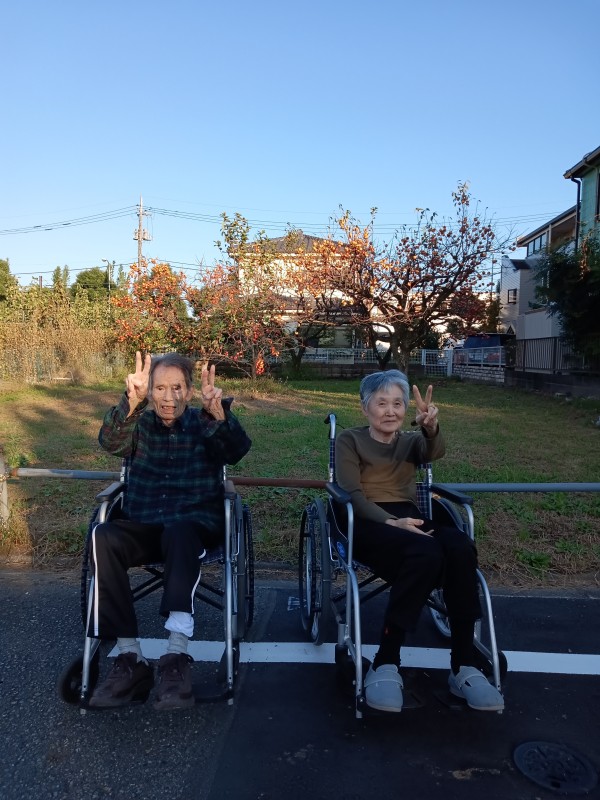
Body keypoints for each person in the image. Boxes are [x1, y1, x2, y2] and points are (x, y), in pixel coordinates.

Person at [87, 351, 251, 710]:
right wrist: (130, 402)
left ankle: (176, 656)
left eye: (177, 388)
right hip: (145, 523)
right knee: (103, 535)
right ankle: (130, 658)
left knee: (179, 531)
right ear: (150, 391)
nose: (168, 397)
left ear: (189, 391)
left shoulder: (205, 422)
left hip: (193, 527)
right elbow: (110, 442)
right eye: (159, 388)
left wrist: (218, 413)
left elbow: (237, 451)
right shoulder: (140, 424)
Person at [335, 369, 504, 713]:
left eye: (397, 403)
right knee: (426, 554)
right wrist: (391, 521)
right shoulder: (349, 440)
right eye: (381, 403)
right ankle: (386, 660)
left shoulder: (411, 441)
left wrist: (430, 427)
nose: (390, 411)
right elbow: (352, 495)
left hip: (408, 515)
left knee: (459, 547)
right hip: (366, 520)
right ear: (365, 407)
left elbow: (433, 450)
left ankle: (464, 663)